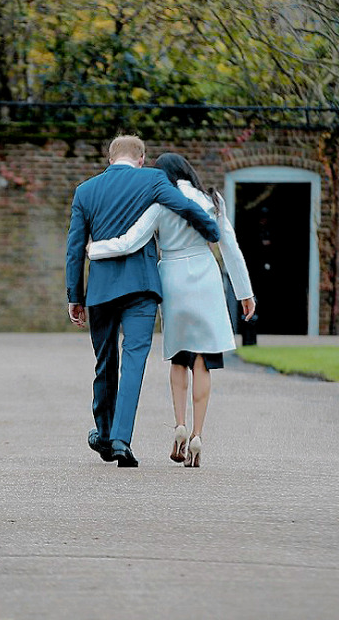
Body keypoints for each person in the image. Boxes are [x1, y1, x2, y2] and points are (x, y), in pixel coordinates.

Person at [88, 152, 255, 467]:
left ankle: (178, 425)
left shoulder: (158, 204)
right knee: (203, 359)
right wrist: (244, 293)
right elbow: (229, 247)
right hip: (205, 274)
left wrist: (95, 249)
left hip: (173, 278)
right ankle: (197, 435)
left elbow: (128, 242)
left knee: (179, 357)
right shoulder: (211, 199)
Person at [66, 136, 220, 468]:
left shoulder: (85, 191)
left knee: (105, 361)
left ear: (109, 159)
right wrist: (210, 228)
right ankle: (122, 440)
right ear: (142, 158)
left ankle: (104, 434)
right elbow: (183, 206)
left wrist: (74, 297)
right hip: (142, 287)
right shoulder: (152, 179)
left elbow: (75, 248)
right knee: (134, 361)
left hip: (102, 290)